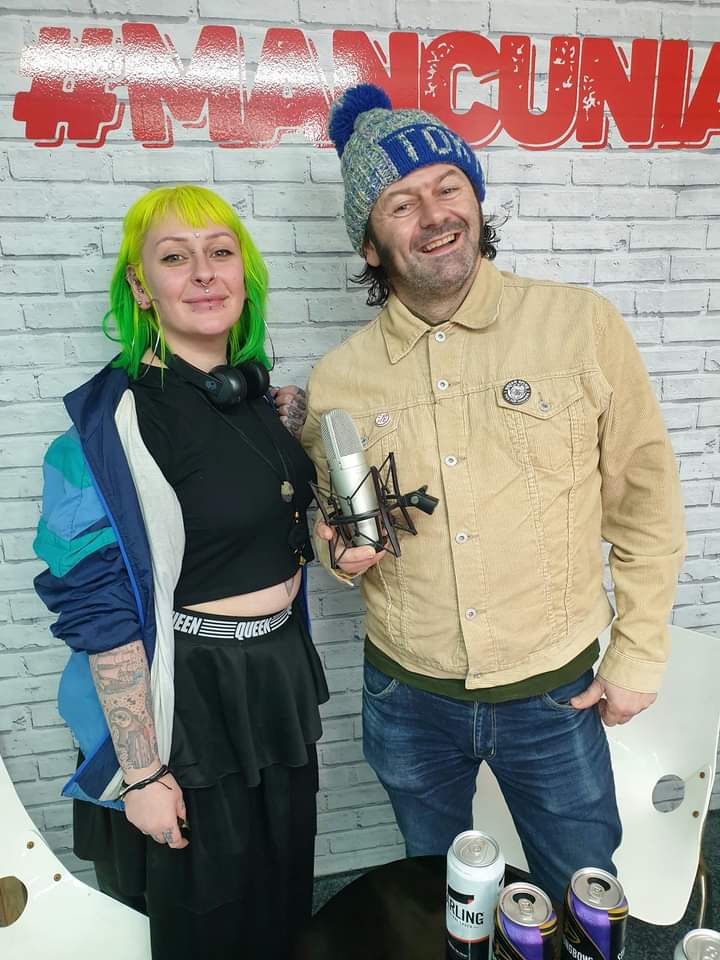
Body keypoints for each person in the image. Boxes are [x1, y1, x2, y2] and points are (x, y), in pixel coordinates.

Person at [301, 85, 685, 904]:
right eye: (401, 203)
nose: (434, 214)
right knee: (443, 896)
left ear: (476, 201)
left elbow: (646, 502)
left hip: (555, 692)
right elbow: (328, 521)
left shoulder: (579, 326)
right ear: (370, 244)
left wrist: (637, 653)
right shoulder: (340, 379)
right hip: (407, 695)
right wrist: (332, 551)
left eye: (448, 187)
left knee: (582, 894)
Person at [33, 185, 328, 959]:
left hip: (278, 676)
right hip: (191, 695)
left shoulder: (259, 398)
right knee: (207, 914)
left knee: (281, 893)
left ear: (244, 274)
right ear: (142, 286)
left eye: (220, 252)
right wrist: (142, 774)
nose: (203, 273)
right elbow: (99, 611)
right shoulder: (110, 431)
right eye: (174, 257)